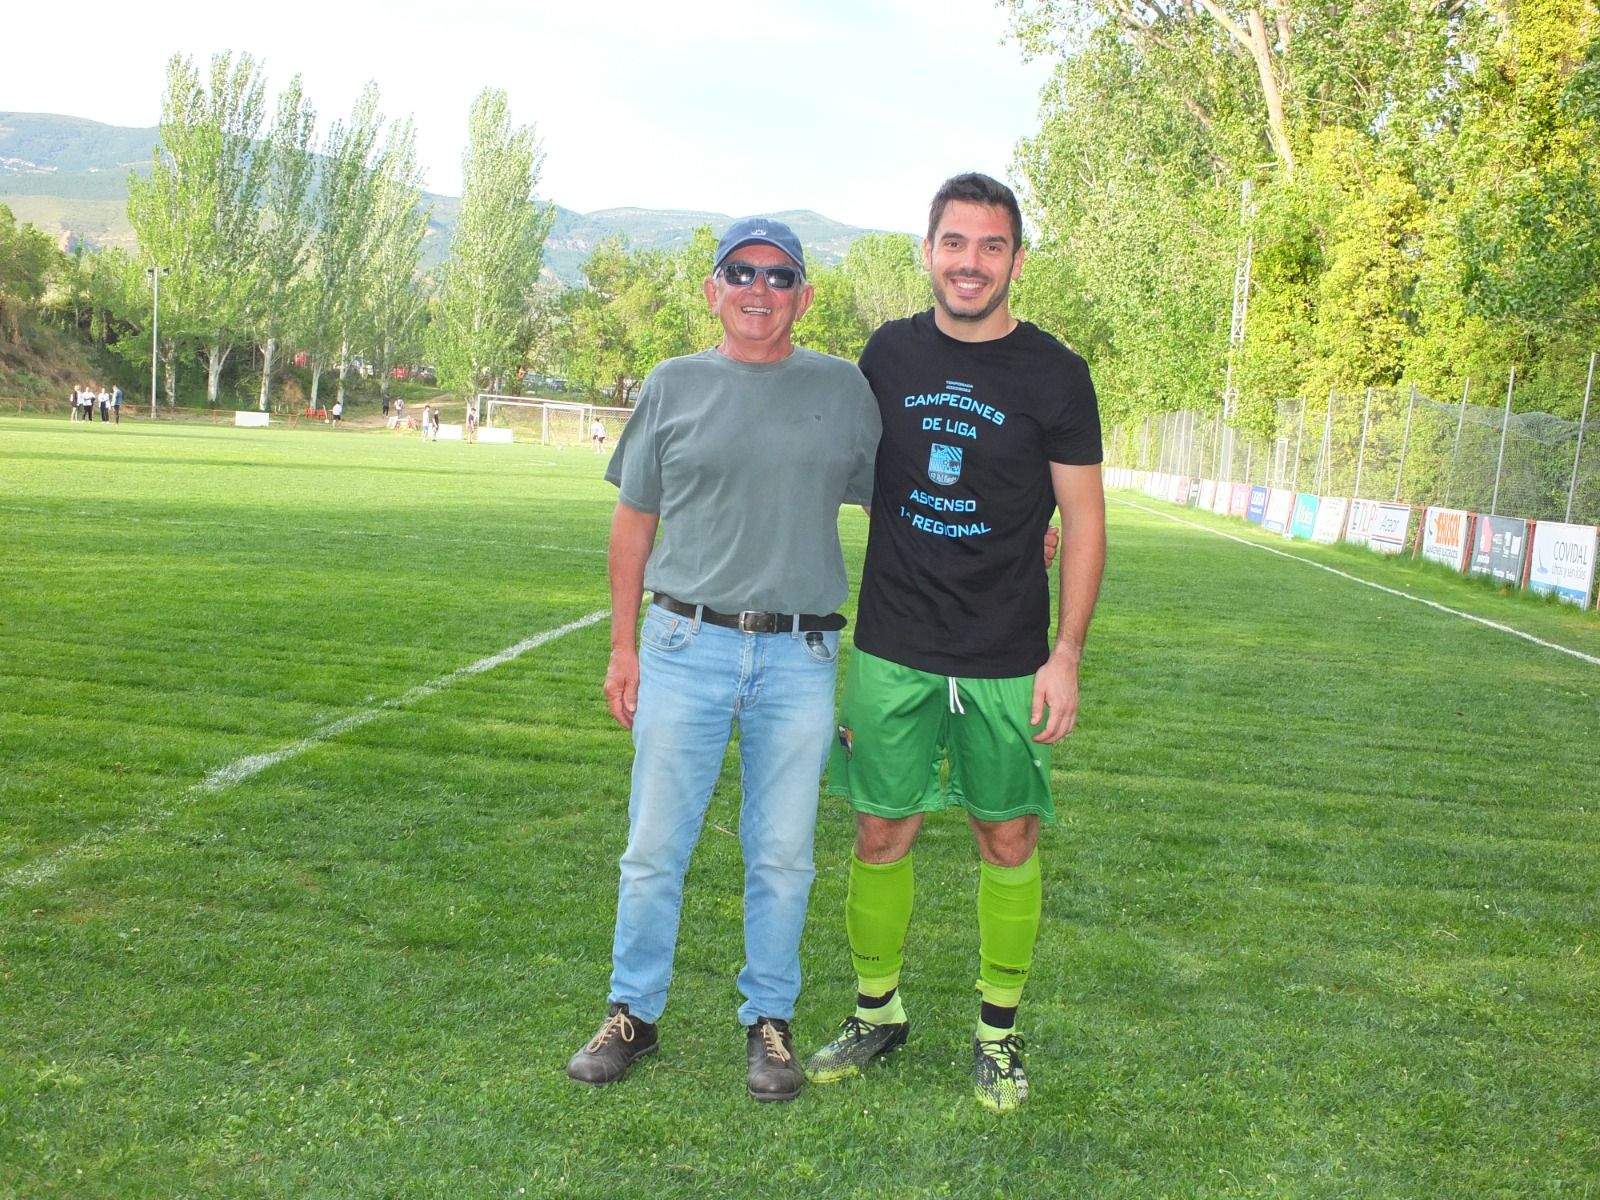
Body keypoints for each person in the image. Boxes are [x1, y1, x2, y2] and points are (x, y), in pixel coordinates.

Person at [804, 173, 1106, 1114]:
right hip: (894, 639)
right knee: (880, 828)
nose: (970, 262)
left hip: (1008, 651)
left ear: (1017, 258)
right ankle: (877, 1011)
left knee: (1005, 834)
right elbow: (848, 473)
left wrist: (1067, 652)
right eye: (954, 243)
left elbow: (1085, 524)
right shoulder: (887, 354)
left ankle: (998, 1034)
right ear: (927, 249)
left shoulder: (1055, 373)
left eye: (990, 246)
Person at [565, 218, 880, 1104]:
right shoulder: (672, 385)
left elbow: (904, 504)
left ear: (803, 298)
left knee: (782, 854)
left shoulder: (844, 390)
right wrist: (623, 645)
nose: (759, 289)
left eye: (779, 277)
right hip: (681, 644)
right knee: (654, 847)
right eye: (740, 272)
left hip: (799, 653)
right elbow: (634, 522)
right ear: (713, 288)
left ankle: (768, 1021)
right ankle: (633, 1013)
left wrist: (1014, 532)